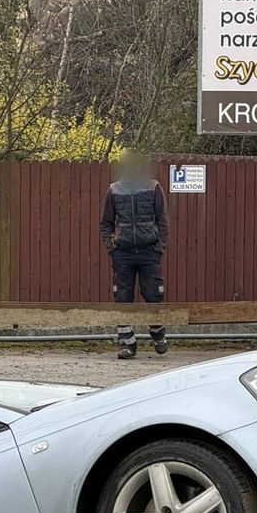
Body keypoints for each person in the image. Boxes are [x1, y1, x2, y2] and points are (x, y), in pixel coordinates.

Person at [99, 151, 171, 360]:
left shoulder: (153, 187)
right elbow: (106, 222)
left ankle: (158, 335)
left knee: (153, 295)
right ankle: (127, 343)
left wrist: (159, 248)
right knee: (123, 298)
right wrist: (110, 247)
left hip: (149, 251)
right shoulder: (114, 190)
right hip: (123, 253)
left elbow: (163, 220)